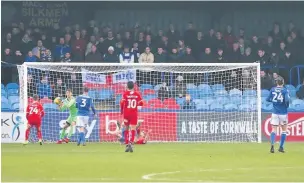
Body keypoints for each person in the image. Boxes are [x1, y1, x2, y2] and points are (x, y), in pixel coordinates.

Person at [266, 77, 289, 153]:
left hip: (275, 112)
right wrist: (286, 105)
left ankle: (272, 146)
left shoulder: (272, 89)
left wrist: (273, 101)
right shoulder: (285, 90)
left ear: (276, 83)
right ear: (282, 82)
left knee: (273, 130)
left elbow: (267, 99)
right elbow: (287, 100)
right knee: (284, 130)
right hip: (283, 113)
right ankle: (281, 147)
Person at [120, 81, 143, 152]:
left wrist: (121, 111)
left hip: (126, 113)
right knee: (133, 128)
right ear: (133, 86)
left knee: (126, 128)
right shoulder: (137, 94)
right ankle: (131, 143)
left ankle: (127, 143)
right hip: (134, 113)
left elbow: (122, 103)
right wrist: (137, 107)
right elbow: (141, 103)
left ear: (127, 86)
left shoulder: (125, 94)